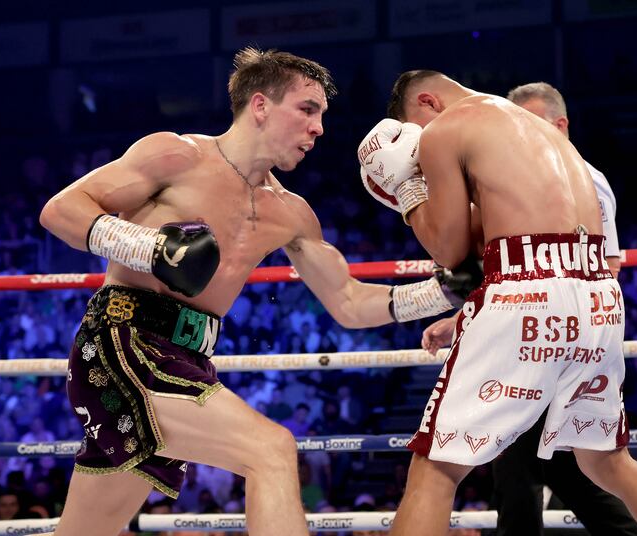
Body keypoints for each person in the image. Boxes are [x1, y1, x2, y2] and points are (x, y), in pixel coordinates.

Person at [38, 49, 478, 536]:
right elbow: (61, 210)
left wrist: (440, 292)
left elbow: (349, 302)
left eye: (322, 116)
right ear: (261, 105)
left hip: (188, 356)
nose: (319, 129)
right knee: (271, 450)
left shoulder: (290, 213)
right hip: (123, 342)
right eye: (307, 110)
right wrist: (148, 247)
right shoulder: (176, 155)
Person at [356, 70, 637, 536]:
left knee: (435, 469)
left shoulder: (443, 130)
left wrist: (409, 191)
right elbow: (519, 230)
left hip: (528, 293)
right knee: (608, 463)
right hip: (597, 298)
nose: (417, 150)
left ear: (426, 103)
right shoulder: (540, 130)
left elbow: (449, 250)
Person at [422, 82, 637, 535]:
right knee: (555, 474)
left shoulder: (584, 175)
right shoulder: (521, 171)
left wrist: (409, 199)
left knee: (545, 475)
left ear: (560, 126)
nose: (520, 133)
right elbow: (507, 267)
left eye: (531, 122)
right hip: (529, 328)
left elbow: (601, 268)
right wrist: (466, 317)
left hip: (558, 337)